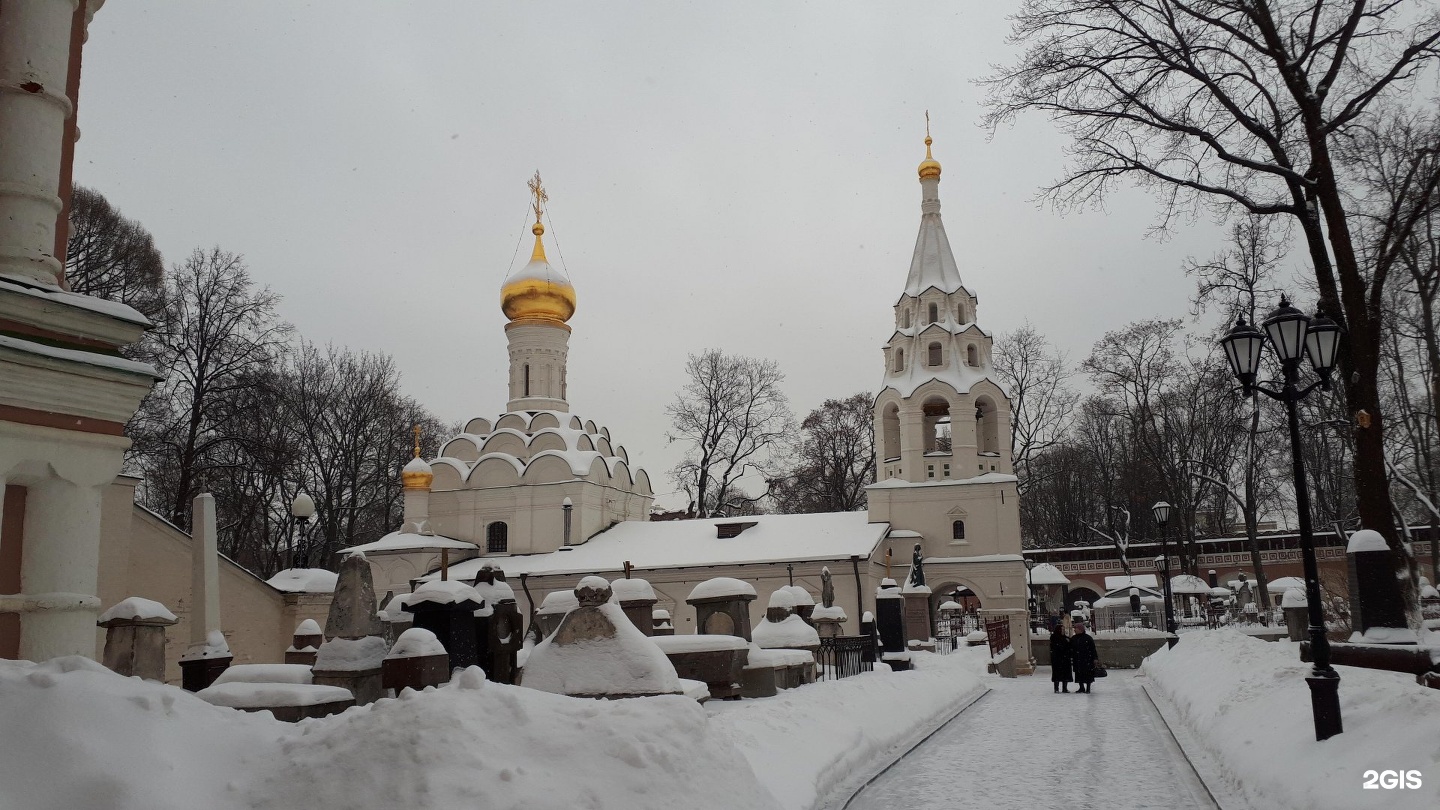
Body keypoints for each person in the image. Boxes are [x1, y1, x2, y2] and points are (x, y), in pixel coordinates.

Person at [1070, 620, 1099, 693]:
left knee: (1087, 673)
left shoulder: (1088, 638)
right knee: (1079, 673)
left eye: (1076, 628)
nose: (1074, 630)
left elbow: (1092, 649)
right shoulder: (1074, 638)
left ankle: (1088, 687)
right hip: (1077, 658)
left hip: (1087, 659)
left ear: (1080, 629)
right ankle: (1081, 687)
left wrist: (1095, 658)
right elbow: (1071, 648)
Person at [1049, 622, 1072, 693]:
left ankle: (1064, 688)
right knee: (1057, 673)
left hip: (1065, 658)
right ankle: (1056, 688)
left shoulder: (1066, 638)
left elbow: (1069, 646)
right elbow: (1056, 646)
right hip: (1057, 658)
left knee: (1065, 673)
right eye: (1062, 629)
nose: (1063, 631)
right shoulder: (1054, 637)